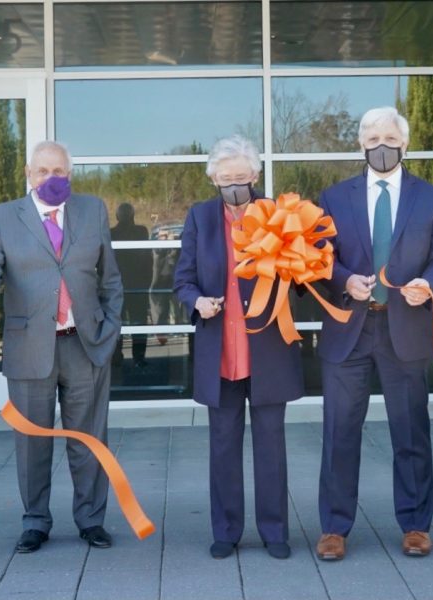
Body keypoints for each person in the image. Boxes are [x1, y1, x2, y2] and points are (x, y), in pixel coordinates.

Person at [314, 107, 433, 561]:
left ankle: (416, 525)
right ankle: (334, 527)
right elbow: (319, 258)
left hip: (405, 328)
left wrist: (428, 284)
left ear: (405, 145)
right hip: (349, 329)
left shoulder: (432, 198)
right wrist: (343, 280)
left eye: (391, 139)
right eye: (373, 139)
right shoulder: (334, 197)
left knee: (410, 431)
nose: (382, 146)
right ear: (360, 144)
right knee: (339, 431)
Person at [0, 141, 123, 554]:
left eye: (59, 172)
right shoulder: (1, 217)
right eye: (42, 171)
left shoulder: (92, 210)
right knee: (31, 441)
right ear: (28, 174)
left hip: (85, 345)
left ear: (69, 174)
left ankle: (91, 520)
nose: (51, 179)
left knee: (89, 439)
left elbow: (110, 277)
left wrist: (109, 328)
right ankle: (35, 521)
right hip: (29, 348)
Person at [174, 135, 303, 560]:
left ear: (256, 175)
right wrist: (197, 302)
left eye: (241, 177)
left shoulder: (279, 215)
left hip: (267, 350)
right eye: (226, 178)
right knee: (223, 447)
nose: (234, 185)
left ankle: (275, 531)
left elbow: (301, 274)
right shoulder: (200, 218)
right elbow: (183, 279)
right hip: (221, 352)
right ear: (213, 178)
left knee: (271, 448)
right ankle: (226, 531)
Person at [111, 202, 152, 368]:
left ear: (117, 217)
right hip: (136, 285)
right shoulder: (141, 232)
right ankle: (138, 357)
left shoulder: (111, 233)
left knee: (116, 323)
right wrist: (147, 282)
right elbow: (148, 259)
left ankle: (116, 356)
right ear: (133, 215)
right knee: (139, 322)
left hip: (117, 286)